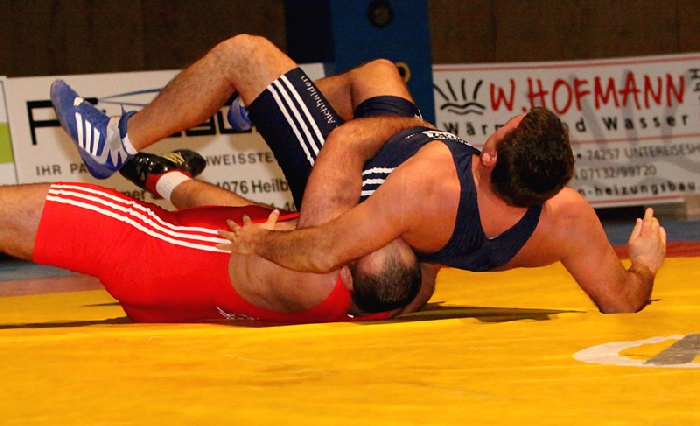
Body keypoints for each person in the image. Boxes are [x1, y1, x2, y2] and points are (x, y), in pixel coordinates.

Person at [50, 34, 666, 314]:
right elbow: (621, 301)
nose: (498, 125)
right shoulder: (565, 220)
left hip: (350, 176)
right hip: (401, 183)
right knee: (377, 73)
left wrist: (261, 243)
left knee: (247, 54)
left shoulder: (426, 186)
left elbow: (323, 244)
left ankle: (116, 142)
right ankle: (189, 155)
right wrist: (644, 264)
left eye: (501, 131)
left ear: (488, 157)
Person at [0, 150, 422, 324]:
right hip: (179, 287)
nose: (369, 226)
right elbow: (243, 222)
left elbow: (343, 144)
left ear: (343, 270)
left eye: (364, 240)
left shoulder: (313, 270)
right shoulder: (381, 300)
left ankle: (141, 161)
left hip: (144, 248)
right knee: (250, 220)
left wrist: (407, 127)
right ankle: (162, 176)